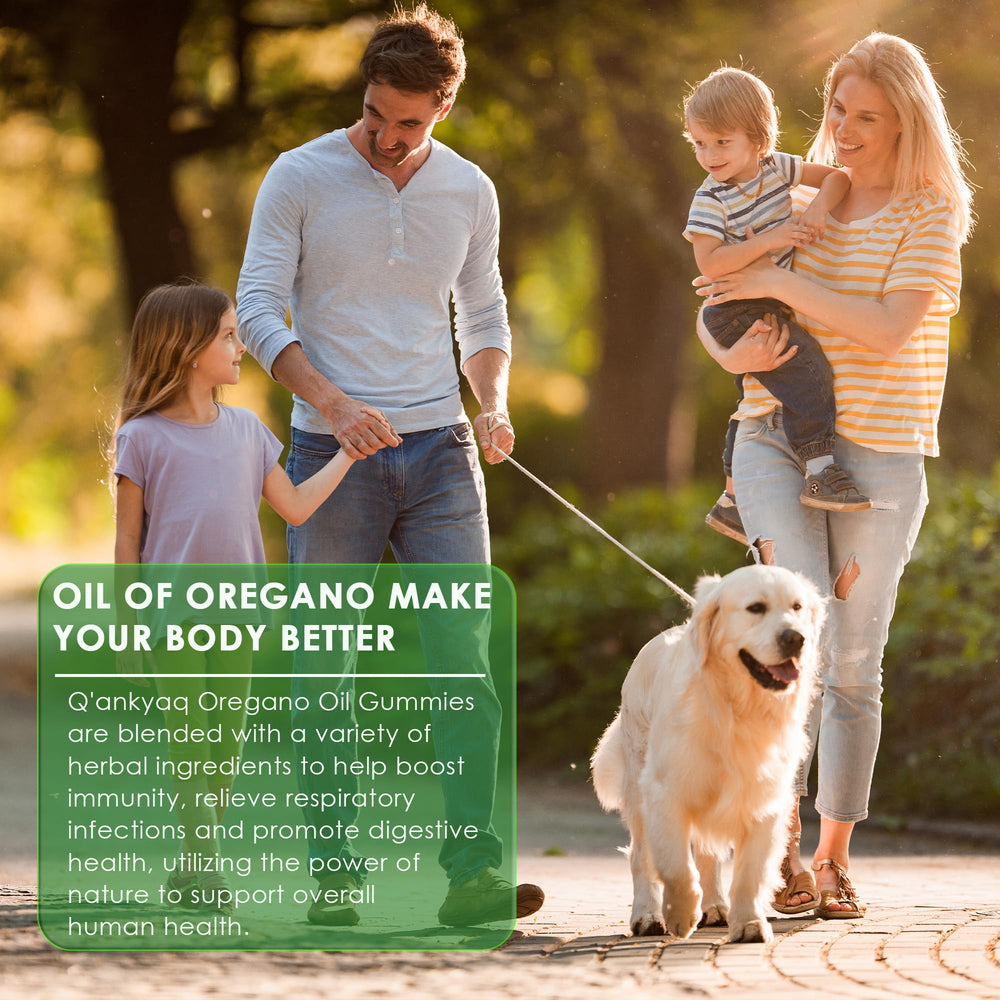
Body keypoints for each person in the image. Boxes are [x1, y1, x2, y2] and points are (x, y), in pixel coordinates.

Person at [236, 3, 543, 928]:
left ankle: (471, 876)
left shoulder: (469, 190)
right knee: (323, 674)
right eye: (375, 113)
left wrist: (492, 402)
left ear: (443, 106)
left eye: (408, 122)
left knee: (463, 668)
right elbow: (257, 309)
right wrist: (332, 405)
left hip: (444, 453)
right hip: (331, 458)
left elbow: (482, 313)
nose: (386, 135)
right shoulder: (299, 176)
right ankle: (334, 874)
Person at [693, 33, 972, 918]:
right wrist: (727, 345)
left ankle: (833, 856)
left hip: (880, 453)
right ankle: (774, 850)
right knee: (787, 641)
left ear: (906, 122)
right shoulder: (794, 196)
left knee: (851, 660)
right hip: (772, 435)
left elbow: (887, 328)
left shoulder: (932, 212)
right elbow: (720, 295)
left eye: (867, 118)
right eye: (837, 111)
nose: (844, 132)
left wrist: (781, 277)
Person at [113, 281, 396, 913]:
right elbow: (127, 542)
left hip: (238, 617)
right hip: (172, 619)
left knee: (225, 748)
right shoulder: (142, 438)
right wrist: (126, 629)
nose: (241, 347)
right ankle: (207, 871)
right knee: (191, 742)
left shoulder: (248, 431)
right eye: (228, 337)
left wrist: (348, 455)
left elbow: (295, 507)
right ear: (189, 350)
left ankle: (192, 865)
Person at [683, 67, 871, 548]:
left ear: (758, 139)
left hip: (765, 299)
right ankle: (820, 471)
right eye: (700, 143)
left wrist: (816, 210)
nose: (709, 155)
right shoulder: (710, 199)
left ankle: (732, 500)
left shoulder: (776, 169)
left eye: (722, 142)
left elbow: (837, 179)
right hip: (734, 307)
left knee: (757, 391)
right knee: (808, 371)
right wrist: (772, 239)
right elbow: (710, 262)